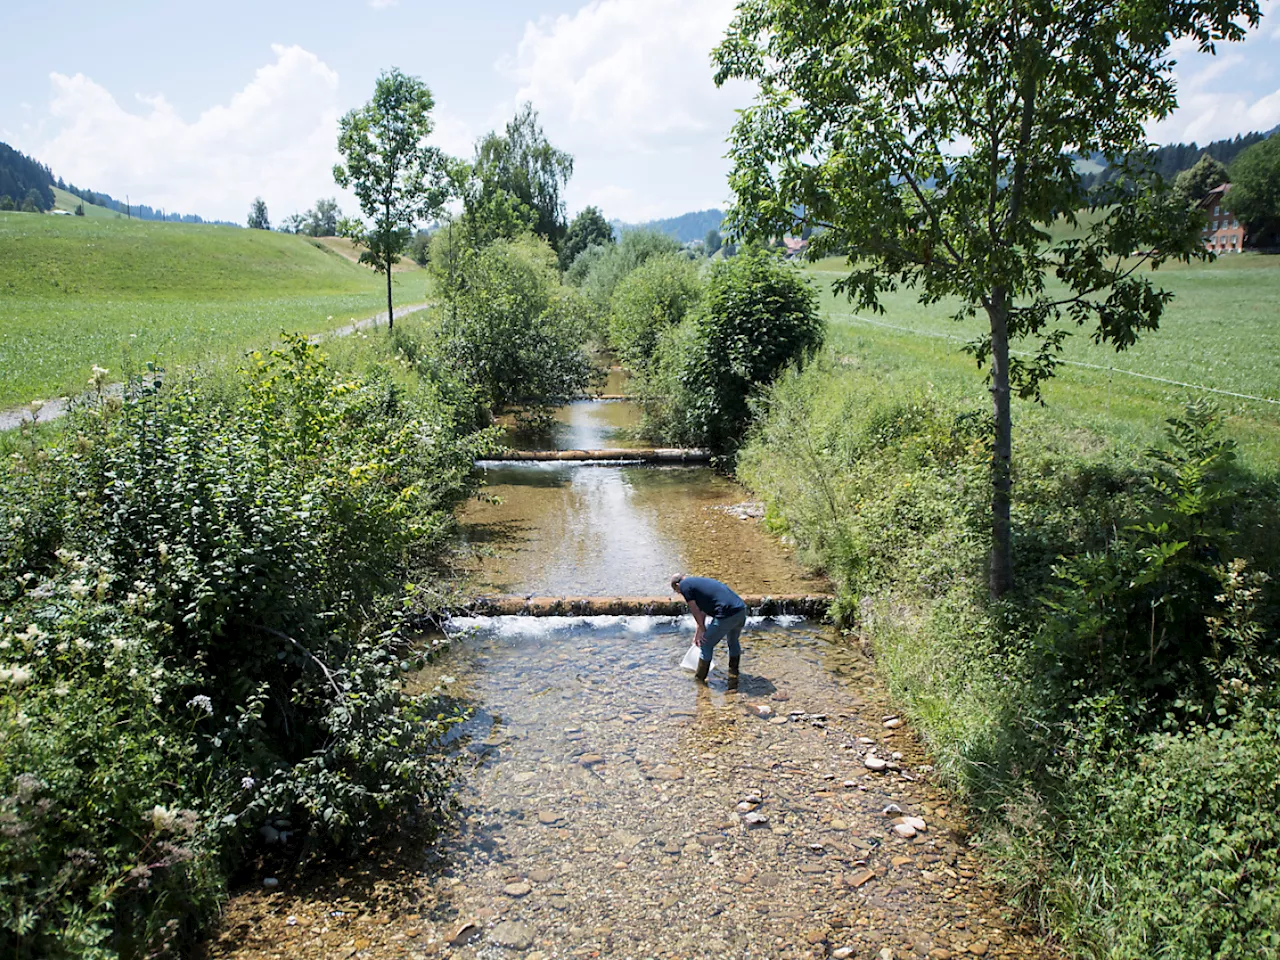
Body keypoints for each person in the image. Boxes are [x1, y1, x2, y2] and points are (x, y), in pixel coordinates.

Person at [671, 573, 747, 683]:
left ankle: (700, 679)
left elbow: (695, 610)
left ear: (677, 584)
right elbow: (702, 611)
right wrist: (699, 632)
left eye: (677, 591)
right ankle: (734, 672)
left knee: (706, 644)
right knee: (733, 641)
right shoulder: (698, 583)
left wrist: (703, 629)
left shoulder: (684, 585)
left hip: (726, 614)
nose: (679, 593)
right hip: (740, 611)